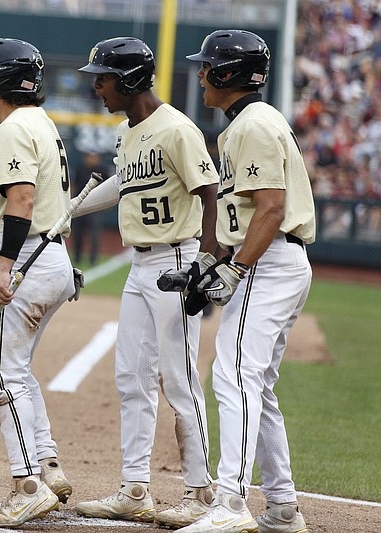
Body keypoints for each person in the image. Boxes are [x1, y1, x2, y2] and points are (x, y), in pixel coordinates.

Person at [70, 37, 220, 529]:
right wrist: (69, 210)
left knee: (178, 379)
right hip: (140, 266)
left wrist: (207, 259)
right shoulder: (127, 131)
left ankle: (200, 493)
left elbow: (208, 189)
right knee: (131, 377)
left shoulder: (177, 128)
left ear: (129, 79)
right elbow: (122, 182)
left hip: (176, 261)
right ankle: (135, 488)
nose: (97, 86)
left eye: (104, 77)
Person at [178, 30, 316, 533]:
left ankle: (230, 504)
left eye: (207, 66)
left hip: (270, 262)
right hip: (273, 259)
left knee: (233, 375)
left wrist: (234, 269)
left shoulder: (253, 125)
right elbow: (246, 216)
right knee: (254, 383)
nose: (200, 74)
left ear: (228, 74)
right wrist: (209, 263)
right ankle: (281, 505)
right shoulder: (249, 124)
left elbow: (272, 208)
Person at [0, 37, 78, 528]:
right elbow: (25, 198)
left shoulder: (12, 129)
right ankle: (47, 466)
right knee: (17, 370)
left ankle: (26, 485)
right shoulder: (39, 123)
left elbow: (24, 201)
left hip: (29, 260)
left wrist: (4, 265)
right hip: (48, 259)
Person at [72, 151, 107, 264]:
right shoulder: (80, 168)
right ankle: (77, 257)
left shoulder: (102, 169)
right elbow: (73, 184)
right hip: (80, 204)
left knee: (94, 234)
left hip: (95, 207)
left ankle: (93, 259)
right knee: (77, 234)